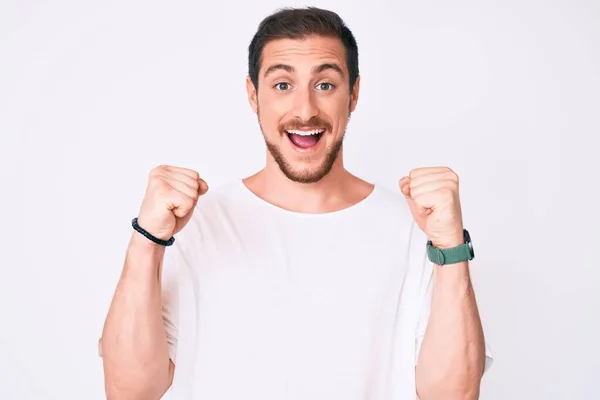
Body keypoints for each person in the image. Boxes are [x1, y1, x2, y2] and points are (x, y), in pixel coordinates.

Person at [99, 7, 493, 400]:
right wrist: (147, 240)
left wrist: (450, 249)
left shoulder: (414, 230)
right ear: (254, 95)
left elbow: (454, 396)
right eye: (282, 85)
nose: (305, 110)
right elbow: (131, 391)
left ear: (353, 94)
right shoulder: (193, 224)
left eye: (325, 85)